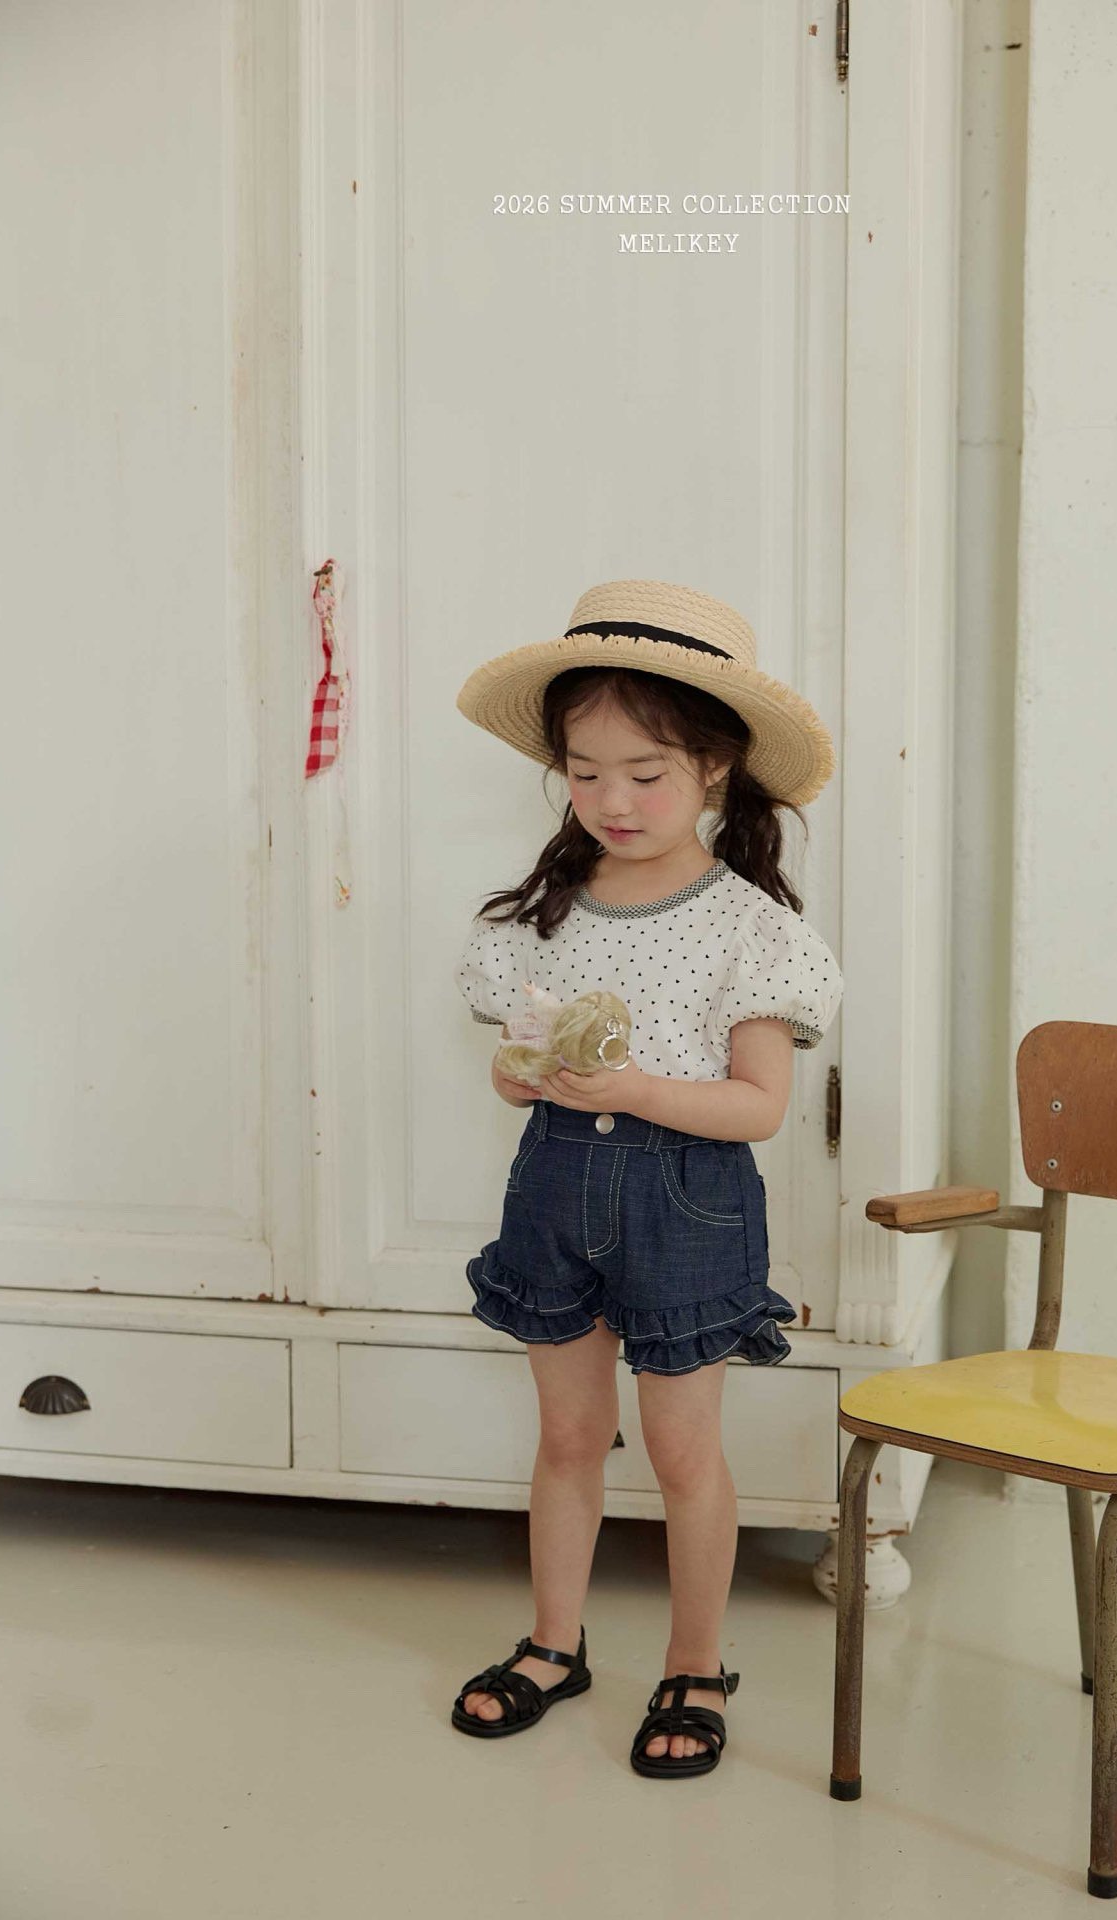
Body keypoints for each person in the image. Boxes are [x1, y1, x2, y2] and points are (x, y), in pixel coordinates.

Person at [447, 579, 843, 1776]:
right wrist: (520, 1076)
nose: (612, 801)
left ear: (715, 768)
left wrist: (634, 1089)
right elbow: (517, 1069)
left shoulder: (750, 931)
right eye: (584, 773)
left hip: (686, 1200)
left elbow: (757, 1107)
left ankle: (693, 1662)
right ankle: (553, 1643)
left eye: (646, 773)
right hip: (553, 1189)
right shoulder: (546, 913)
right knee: (568, 1438)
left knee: (681, 1455)